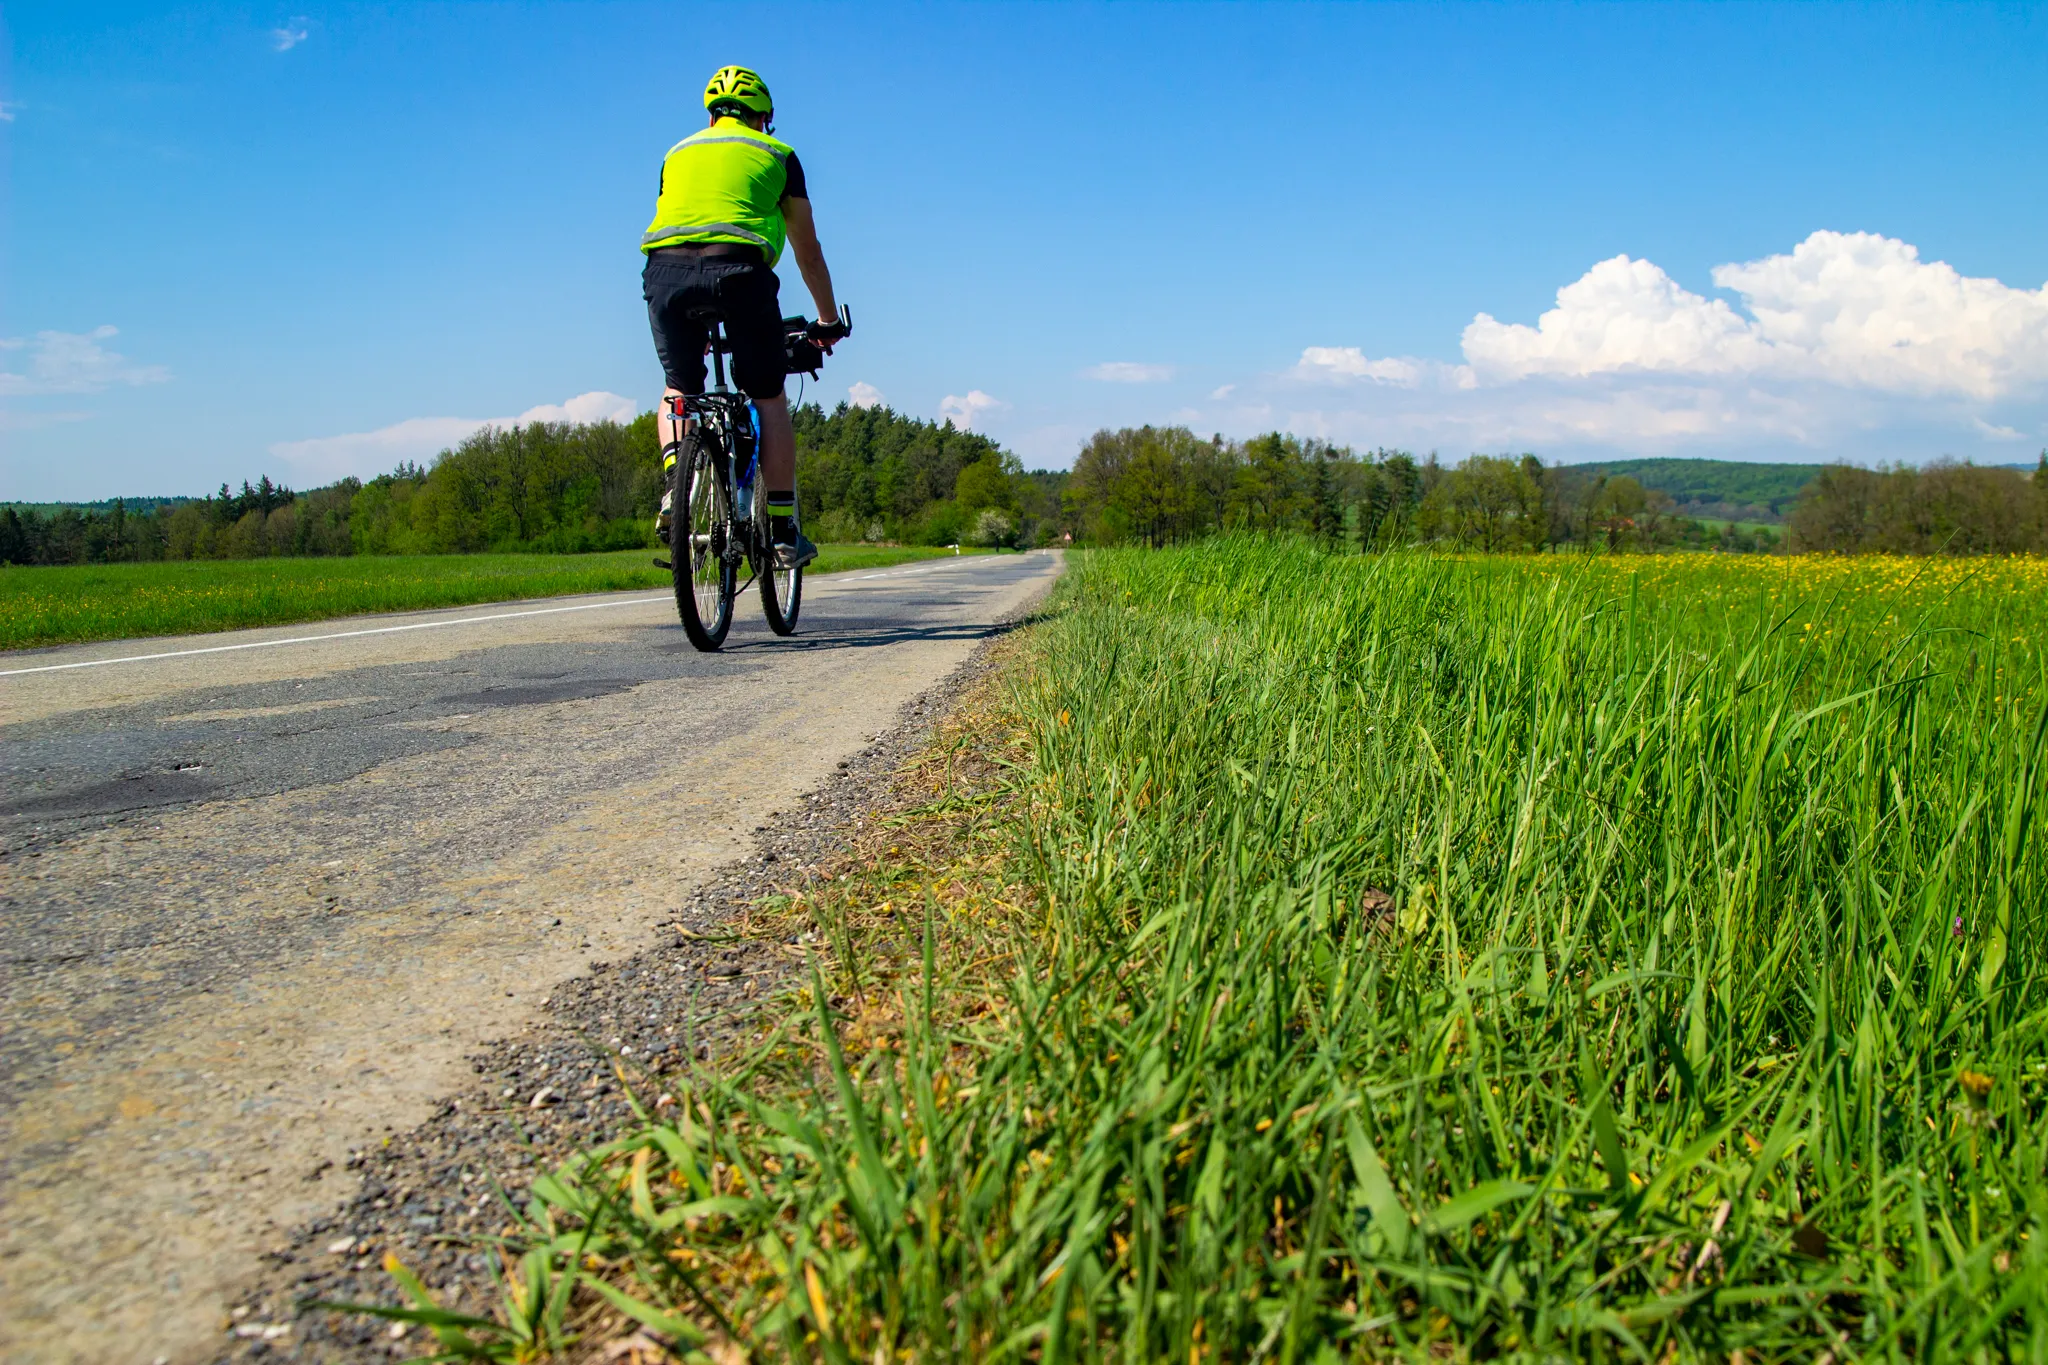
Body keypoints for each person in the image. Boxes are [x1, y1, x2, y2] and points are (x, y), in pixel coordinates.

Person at [642, 64, 843, 569]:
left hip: (665, 273)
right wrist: (826, 321)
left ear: (711, 116)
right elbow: (808, 252)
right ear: (763, 118)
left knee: (678, 387)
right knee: (767, 395)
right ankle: (780, 531)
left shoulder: (677, 153)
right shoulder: (778, 155)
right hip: (739, 272)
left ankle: (676, 488)